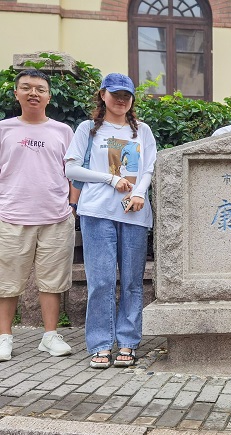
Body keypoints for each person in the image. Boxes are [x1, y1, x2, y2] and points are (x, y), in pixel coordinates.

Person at [64, 73, 157, 369]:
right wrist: (110, 178)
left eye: (126, 95)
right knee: (101, 281)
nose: (121, 100)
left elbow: (148, 168)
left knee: (132, 282)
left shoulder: (142, 130)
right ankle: (101, 344)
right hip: (97, 212)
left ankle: (128, 342)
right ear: (103, 95)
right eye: (115, 94)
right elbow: (71, 170)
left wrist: (139, 193)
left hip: (134, 214)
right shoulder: (88, 129)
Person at [0, 69, 75, 361]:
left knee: (52, 282)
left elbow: (72, 173)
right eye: (27, 87)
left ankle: (50, 336)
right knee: (6, 282)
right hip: (11, 217)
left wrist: (72, 206)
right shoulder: (4, 129)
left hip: (56, 217)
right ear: (16, 93)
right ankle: (4, 337)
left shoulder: (63, 131)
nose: (33, 93)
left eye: (40, 89)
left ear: (49, 96)